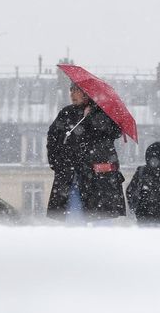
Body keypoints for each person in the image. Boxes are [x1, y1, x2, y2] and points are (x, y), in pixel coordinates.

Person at [46, 83, 126, 222]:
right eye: (71, 90)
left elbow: (115, 132)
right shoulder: (66, 113)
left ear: (87, 93)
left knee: (101, 219)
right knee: (73, 219)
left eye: (76, 90)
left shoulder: (102, 113)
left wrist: (92, 118)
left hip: (98, 179)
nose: (72, 94)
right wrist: (56, 162)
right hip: (71, 175)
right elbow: (53, 137)